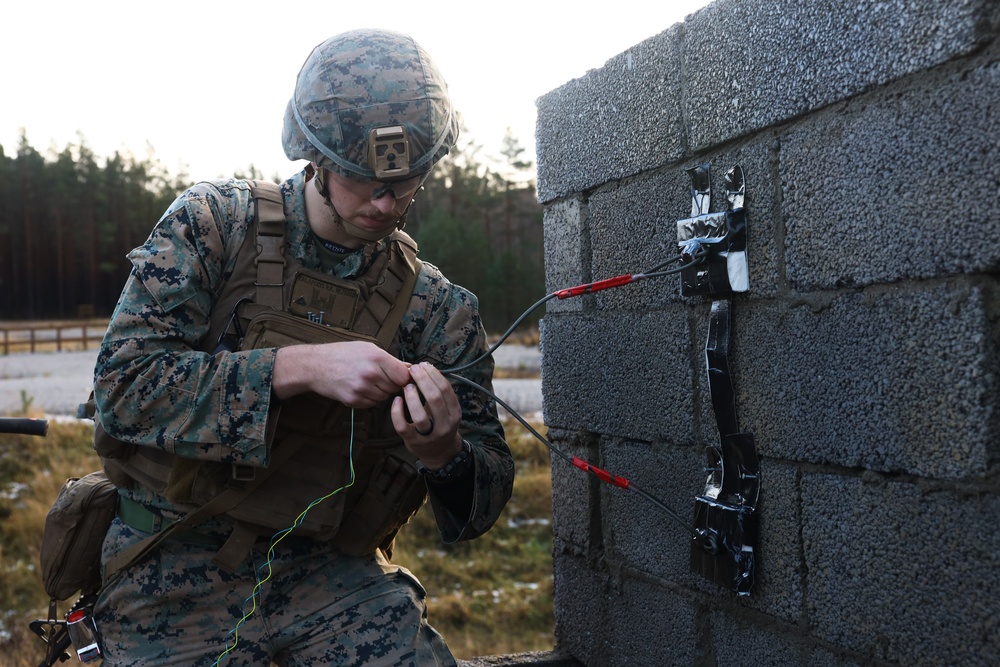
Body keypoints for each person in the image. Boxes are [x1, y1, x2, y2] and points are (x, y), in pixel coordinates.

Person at [90, 29, 514, 666]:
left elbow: (479, 509)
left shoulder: (438, 309)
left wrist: (445, 452)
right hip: (169, 568)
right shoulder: (215, 227)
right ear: (312, 155)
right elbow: (121, 390)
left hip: (330, 578)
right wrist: (294, 368)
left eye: (406, 181)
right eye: (362, 177)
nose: (386, 201)